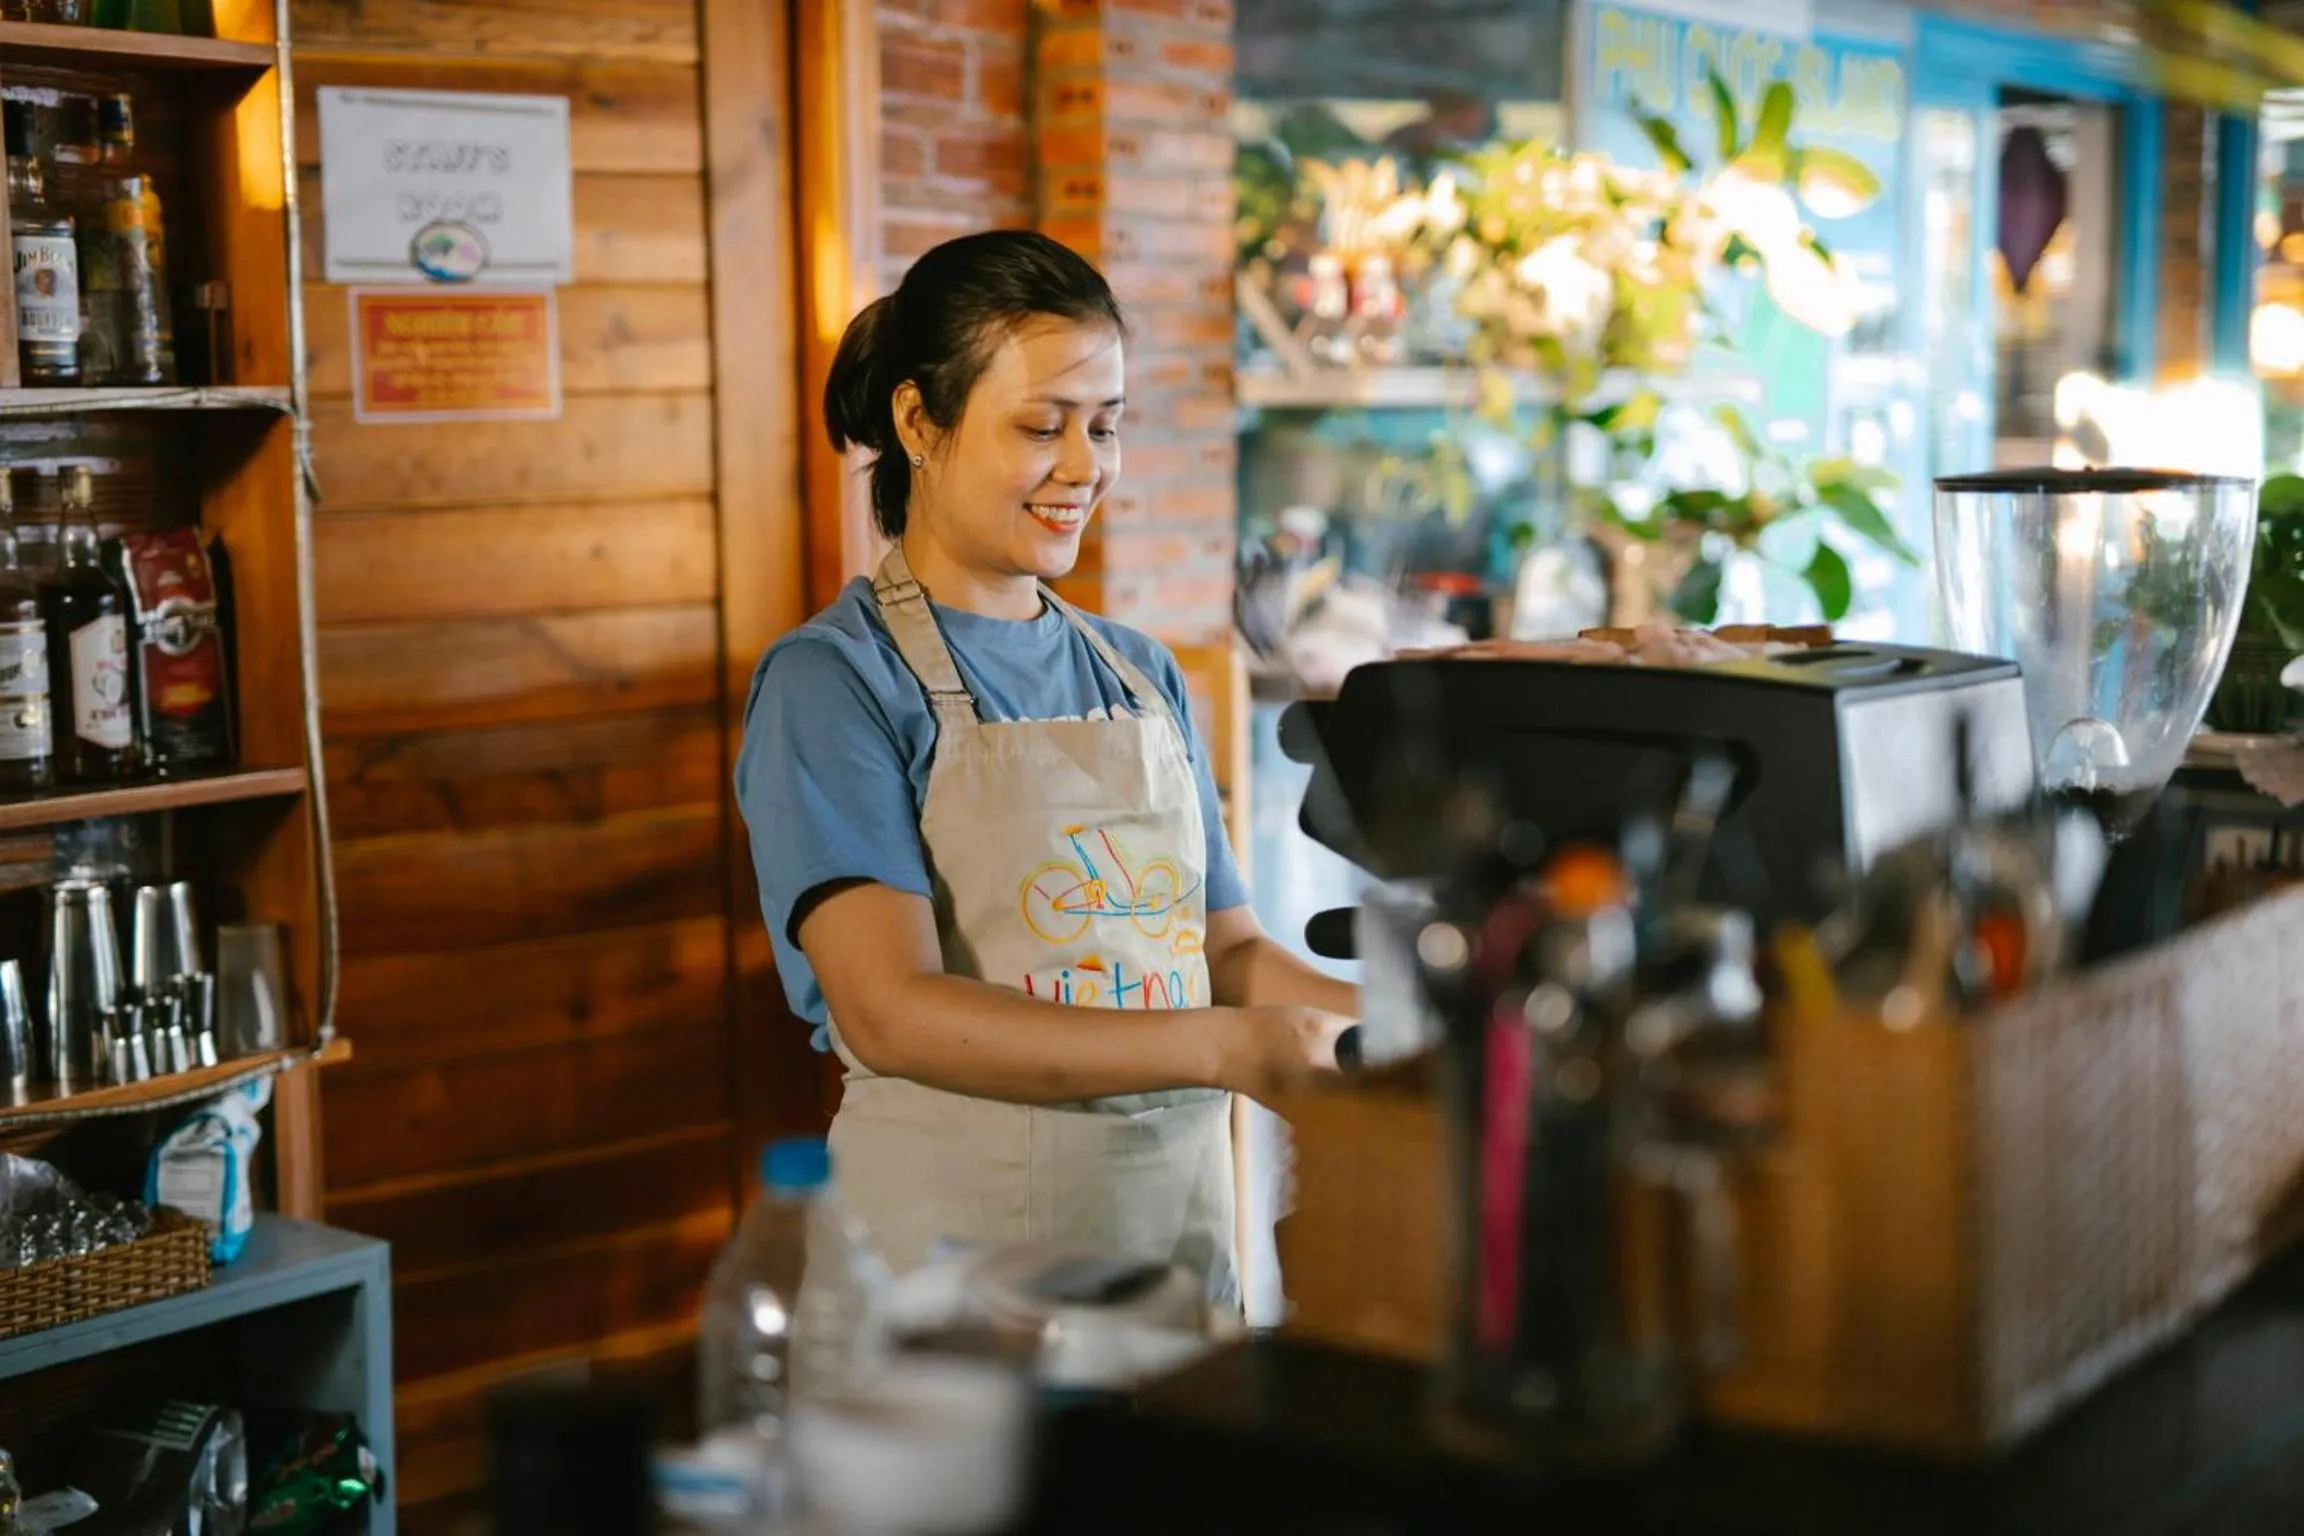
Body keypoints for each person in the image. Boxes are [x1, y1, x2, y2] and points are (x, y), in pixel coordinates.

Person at [737, 230, 1360, 1305]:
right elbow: (889, 1009)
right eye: (1042, 427)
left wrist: (1391, 1024)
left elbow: (1228, 953)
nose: (1084, 467)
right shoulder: (834, 683)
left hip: (1170, 1255)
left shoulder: (1140, 672)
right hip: (952, 1283)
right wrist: (1226, 1050)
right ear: (920, 422)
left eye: (1105, 427)